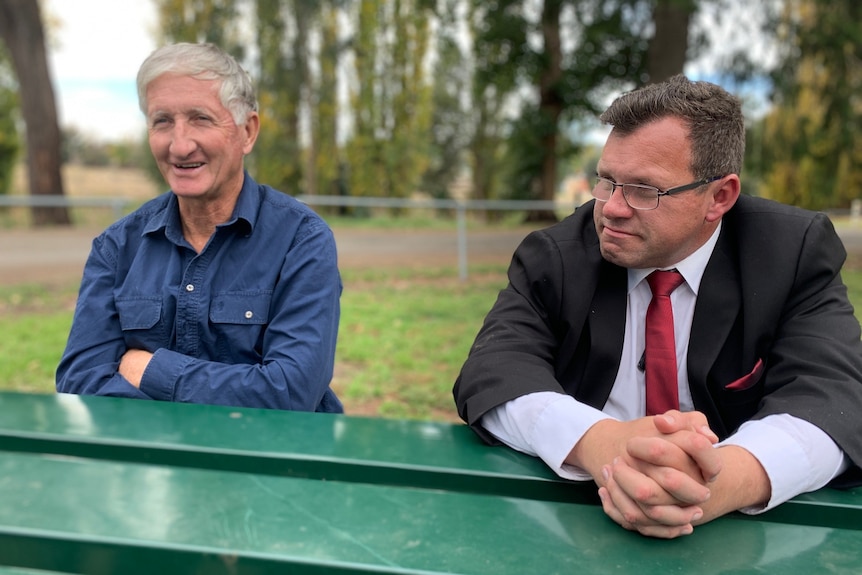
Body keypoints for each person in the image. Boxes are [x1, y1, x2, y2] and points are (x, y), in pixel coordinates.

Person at [453, 75, 862, 538]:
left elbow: (836, 399)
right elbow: (492, 372)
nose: (611, 209)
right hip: (574, 524)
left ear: (719, 197)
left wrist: (722, 481)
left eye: (645, 190)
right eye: (607, 181)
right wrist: (603, 443)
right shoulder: (556, 254)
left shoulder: (790, 254)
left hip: (743, 538)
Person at [56, 42, 343, 413]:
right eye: (162, 121)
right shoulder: (116, 248)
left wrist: (151, 369)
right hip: (151, 464)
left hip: (270, 466)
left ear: (248, 132)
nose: (179, 145)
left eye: (200, 119)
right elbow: (79, 380)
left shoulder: (301, 240)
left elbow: (289, 393)